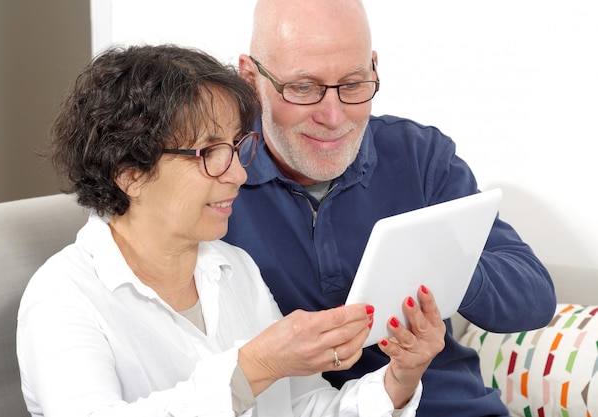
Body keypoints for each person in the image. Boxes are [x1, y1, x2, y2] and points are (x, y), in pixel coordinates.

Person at [16, 44, 446, 417]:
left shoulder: (233, 267)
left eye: (238, 147)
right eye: (209, 153)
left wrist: (400, 379)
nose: (239, 174)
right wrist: (255, 366)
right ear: (128, 173)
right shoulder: (62, 297)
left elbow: (303, 407)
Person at [222, 0, 557, 416]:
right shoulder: (217, 175)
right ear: (251, 78)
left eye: (353, 84)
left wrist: (442, 268)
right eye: (303, 88)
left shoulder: (421, 157)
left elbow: (536, 298)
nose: (333, 115)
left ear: (374, 69)